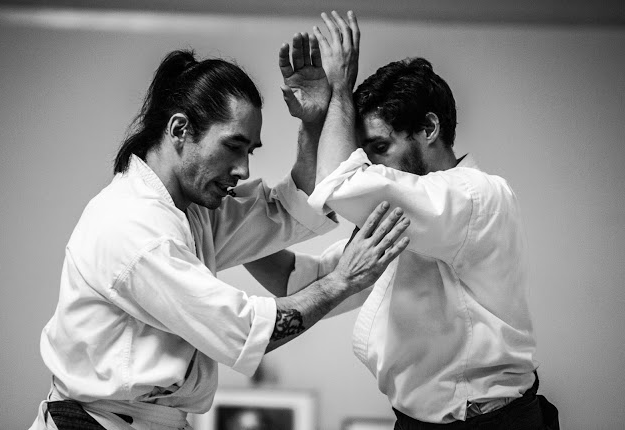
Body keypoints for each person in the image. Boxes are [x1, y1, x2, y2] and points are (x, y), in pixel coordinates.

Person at [29, 48, 411, 430]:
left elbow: (288, 208)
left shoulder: (192, 209)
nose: (243, 169)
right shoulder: (135, 227)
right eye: (233, 146)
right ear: (179, 130)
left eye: (249, 151)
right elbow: (242, 330)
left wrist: (313, 121)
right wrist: (342, 280)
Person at [260, 10, 559, 429]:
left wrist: (339, 92)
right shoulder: (410, 218)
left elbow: (341, 184)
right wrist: (226, 225)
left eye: (380, 148)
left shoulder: (475, 196)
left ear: (429, 128)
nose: (371, 167)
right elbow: (299, 283)